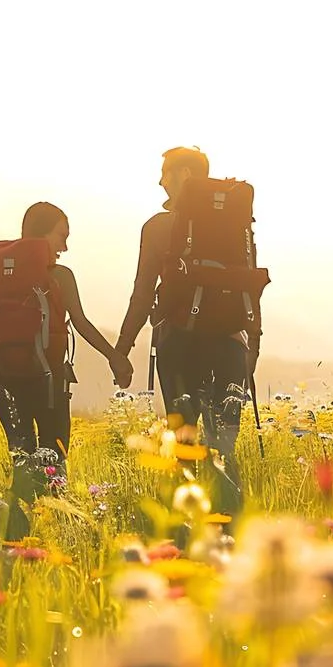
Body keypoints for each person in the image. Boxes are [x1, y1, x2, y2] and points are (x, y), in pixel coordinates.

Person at [112, 146, 263, 523]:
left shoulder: (160, 227)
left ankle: (188, 529)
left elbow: (143, 290)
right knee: (224, 444)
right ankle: (232, 527)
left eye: (165, 172)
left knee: (187, 443)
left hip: (179, 344)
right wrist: (253, 344)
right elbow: (249, 281)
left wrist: (122, 348)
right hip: (230, 343)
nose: (160, 180)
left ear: (182, 174)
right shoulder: (236, 220)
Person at [0, 201, 133, 534]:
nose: (65, 246)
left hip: (5, 383)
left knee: (22, 460)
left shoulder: (2, 277)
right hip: (49, 384)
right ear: (43, 235)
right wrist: (114, 356)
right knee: (54, 461)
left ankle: (16, 534)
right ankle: (57, 533)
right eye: (62, 235)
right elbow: (82, 323)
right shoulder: (59, 277)